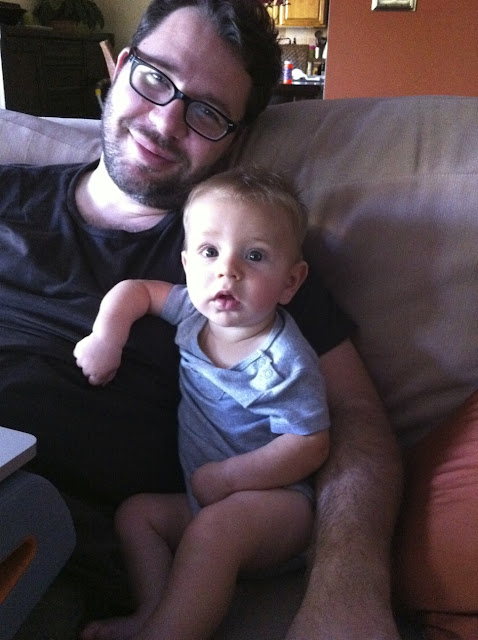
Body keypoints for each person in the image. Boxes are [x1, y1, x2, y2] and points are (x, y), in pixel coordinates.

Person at [0, 0, 402, 638]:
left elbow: (355, 419)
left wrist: (348, 588)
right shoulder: (8, 194)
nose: (165, 121)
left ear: (236, 137)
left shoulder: (247, 266)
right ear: (121, 66)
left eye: (207, 112)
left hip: (36, 544)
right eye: (156, 77)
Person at [74, 168, 331, 640]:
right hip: (205, 500)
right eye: (210, 252)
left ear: (290, 282)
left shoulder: (284, 360)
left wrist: (233, 477)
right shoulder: (193, 314)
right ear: (188, 264)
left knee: (214, 530)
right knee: (137, 516)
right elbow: (137, 291)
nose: (227, 271)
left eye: (254, 256)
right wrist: (106, 336)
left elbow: (310, 442)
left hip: (281, 509)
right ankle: (154, 612)